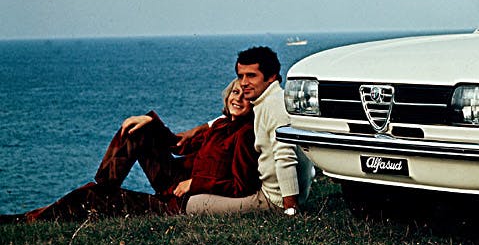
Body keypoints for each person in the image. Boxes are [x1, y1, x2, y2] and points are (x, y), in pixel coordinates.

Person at [18, 80, 259, 222]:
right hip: (174, 181)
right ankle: (105, 181)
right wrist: (150, 122)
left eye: (245, 95)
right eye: (235, 92)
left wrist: (196, 183)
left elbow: (241, 185)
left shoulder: (246, 134)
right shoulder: (219, 124)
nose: (237, 99)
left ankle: (33, 219)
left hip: (179, 200)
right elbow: (177, 145)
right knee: (137, 131)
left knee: (93, 197)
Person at [185, 46, 313, 216]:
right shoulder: (265, 100)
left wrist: (290, 209)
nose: (244, 82)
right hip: (274, 194)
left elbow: (285, 158)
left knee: (192, 204)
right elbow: (228, 116)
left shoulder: (274, 106)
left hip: (273, 200)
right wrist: (200, 128)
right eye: (240, 76)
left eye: (251, 75)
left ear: (271, 77)